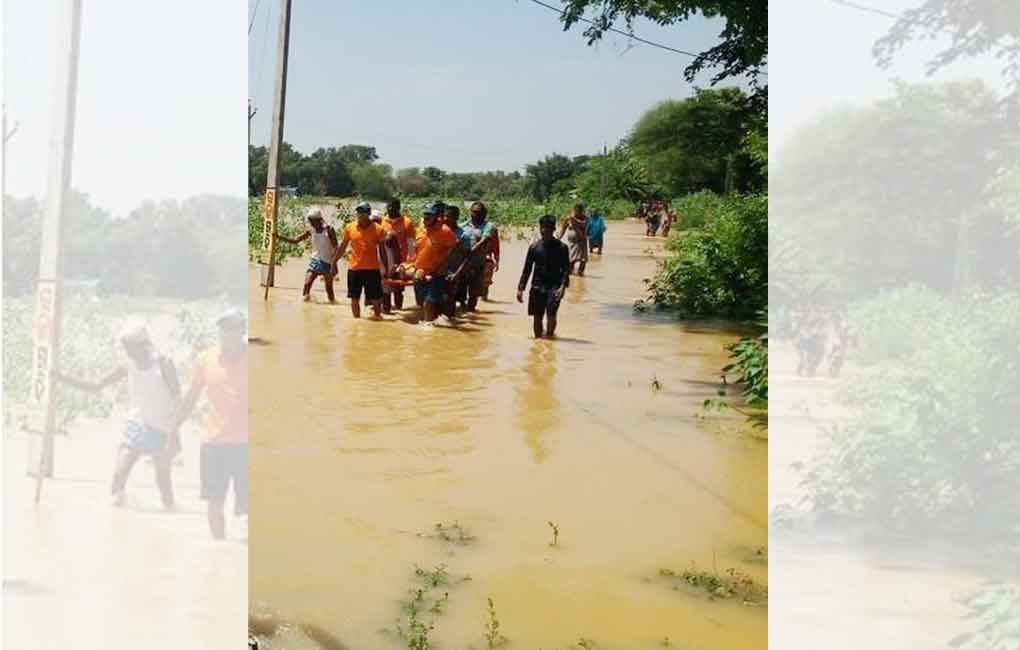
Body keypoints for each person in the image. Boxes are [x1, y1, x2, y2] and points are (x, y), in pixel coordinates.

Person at [55, 323, 180, 509]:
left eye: (129, 347)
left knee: (164, 487)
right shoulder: (128, 365)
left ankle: (169, 514)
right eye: (125, 347)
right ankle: (116, 513)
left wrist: (174, 436)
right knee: (119, 475)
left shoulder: (164, 364)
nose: (127, 351)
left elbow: (178, 400)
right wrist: (62, 378)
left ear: (142, 345)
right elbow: (97, 385)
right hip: (136, 425)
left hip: (161, 429)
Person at [176, 310, 248, 540]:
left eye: (233, 328)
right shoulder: (205, 359)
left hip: (248, 444)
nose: (228, 334)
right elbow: (191, 397)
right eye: (224, 329)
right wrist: (173, 428)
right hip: (214, 443)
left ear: (242, 331)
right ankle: (219, 550)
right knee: (214, 501)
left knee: (249, 505)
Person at [518, 214, 571, 339]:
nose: (544, 230)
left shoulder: (562, 248)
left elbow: (566, 270)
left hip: (554, 286)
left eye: (547, 228)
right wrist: (521, 288)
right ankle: (539, 342)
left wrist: (563, 287)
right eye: (542, 227)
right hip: (537, 286)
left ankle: (550, 340)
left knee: (551, 315)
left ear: (553, 229)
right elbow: (527, 269)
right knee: (537, 316)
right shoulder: (534, 247)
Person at [335, 201, 387, 319]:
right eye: (358, 212)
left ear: (368, 213)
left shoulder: (378, 229)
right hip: (354, 268)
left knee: (375, 298)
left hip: (372, 269)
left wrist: (387, 268)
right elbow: (343, 246)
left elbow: (383, 251)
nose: (360, 214)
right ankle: (356, 321)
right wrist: (334, 262)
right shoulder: (350, 227)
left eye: (363, 212)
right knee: (354, 298)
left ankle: (378, 318)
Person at [276, 208, 339, 303]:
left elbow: (336, 248)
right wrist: (278, 236)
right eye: (310, 221)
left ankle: (332, 304)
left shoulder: (329, 230)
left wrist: (334, 265)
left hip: (328, 262)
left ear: (319, 220)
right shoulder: (311, 230)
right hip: (316, 260)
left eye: (313, 221)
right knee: (307, 283)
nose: (312, 224)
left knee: (329, 290)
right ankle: (304, 304)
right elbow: (295, 240)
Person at [413, 202, 459, 325]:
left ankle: (428, 328)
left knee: (429, 301)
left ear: (436, 216)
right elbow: (416, 250)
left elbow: (454, 250)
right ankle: (432, 322)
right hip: (420, 272)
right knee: (421, 303)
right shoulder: (420, 229)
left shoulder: (445, 231)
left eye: (430, 215)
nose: (426, 218)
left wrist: (443, 267)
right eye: (425, 215)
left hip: (437, 273)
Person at [460, 201, 499, 311]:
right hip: (463, 265)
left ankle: (471, 310)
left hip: (479, 264)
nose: (476, 214)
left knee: (474, 294)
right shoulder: (462, 226)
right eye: (474, 212)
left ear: (484, 214)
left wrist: (497, 259)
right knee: (460, 294)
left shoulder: (489, 226)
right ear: (470, 212)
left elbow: (489, 241)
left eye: (479, 212)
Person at [379, 198, 416, 312]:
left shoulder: (407, 222)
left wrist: (411, 262)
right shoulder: (383, 221)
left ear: (398, 208)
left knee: (398, 288)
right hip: (386, 260)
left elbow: (411, 243)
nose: (390, 209)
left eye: (393, 207)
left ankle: (399, 310)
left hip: (402, 261)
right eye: (388, 206)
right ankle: (387, 311)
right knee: (385, 285)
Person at [557, 203, 590, 276]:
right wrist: (558, 238)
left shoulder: (585, 218)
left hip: (582, 242)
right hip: (572, 243)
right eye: (576, 211)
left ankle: (580, 273)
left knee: (583, 260)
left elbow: (583, 224)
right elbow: (563, 229)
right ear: (574, 210)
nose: (578, 213)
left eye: (579, 211)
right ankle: (570, 275)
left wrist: (573, 220)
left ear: (582, 211)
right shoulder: (568, 219)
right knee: (571, 261)